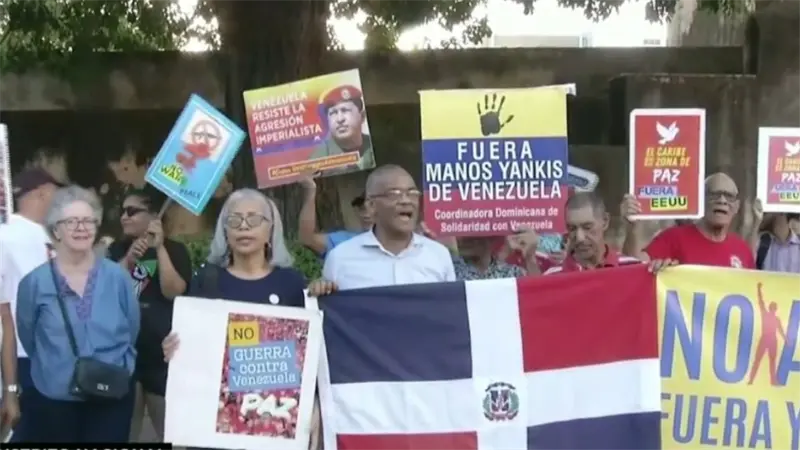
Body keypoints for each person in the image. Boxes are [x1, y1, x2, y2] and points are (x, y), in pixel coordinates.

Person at [160, 188, 319, 449]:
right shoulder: (207, 281)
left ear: (271, 229)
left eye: (254, 219)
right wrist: (175, 350)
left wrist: (311, 407)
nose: (243, 227)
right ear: (225, 231)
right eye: (234, 220)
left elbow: (307, 356)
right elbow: (192, 351)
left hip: (273, 423)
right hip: (218, 426)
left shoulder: (291, 283)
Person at [14, 185, 139, 442]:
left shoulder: (117, 277)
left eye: (88, 221)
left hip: (111, 393)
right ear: (55, 229)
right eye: (71, 221)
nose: (81, 228)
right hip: (55, 398)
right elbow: (29, 337)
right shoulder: (35, 283)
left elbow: (132, 327)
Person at [106, 189, 192, 442]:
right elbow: (105, 289)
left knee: (171, 434)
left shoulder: (176, 249)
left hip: (161, 357)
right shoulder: (116, 249)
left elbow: (174, 291)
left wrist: (160, 248)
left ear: (154, 215)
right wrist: (129, 260)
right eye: (122, 211)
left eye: (132, 211)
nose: (124, 217)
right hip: (124, 354)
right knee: (124, 433)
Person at [308, 164, 455, 294]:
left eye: (412, 193)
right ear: (371, 206)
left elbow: (450, 312)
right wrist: (319, 291)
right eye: (394, 194)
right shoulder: (340, 258)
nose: (406, 200)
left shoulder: (438, 255)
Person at [0, 168, 62, 440]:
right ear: (42, 193)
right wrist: (10, 388)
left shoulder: (50, 237)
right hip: (19, 356)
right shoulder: (6, 233)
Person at [621, 173, 758, 271]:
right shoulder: (674, 238)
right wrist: (632, 226)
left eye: (729, 196)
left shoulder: (742, 249)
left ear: (737, 207)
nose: (722, 201)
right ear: (700, 199)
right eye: (714, 194)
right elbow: (634, 266)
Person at [544, 192, 640, 275]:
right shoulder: (552, 278)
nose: (579, 238)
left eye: (587, 227)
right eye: (572, 228)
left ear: (605, 221)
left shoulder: (630, 269)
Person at [298, 176, 372, 258]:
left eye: (372, 206)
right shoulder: (346, 241)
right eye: (362, 208)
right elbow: (307, 239)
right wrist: (310, 190)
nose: (366, 214)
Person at [309, 85, 375, 173]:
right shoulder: (320, 157)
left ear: (362, 116)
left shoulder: (373, 145)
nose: (339, 119)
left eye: (345, 110)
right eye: (333, 113)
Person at [453, 236, 529, 280]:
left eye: (470, 236)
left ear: (490, 239)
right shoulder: (450, 272)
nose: (461, 240)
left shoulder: (513, 274)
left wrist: (530, 258)